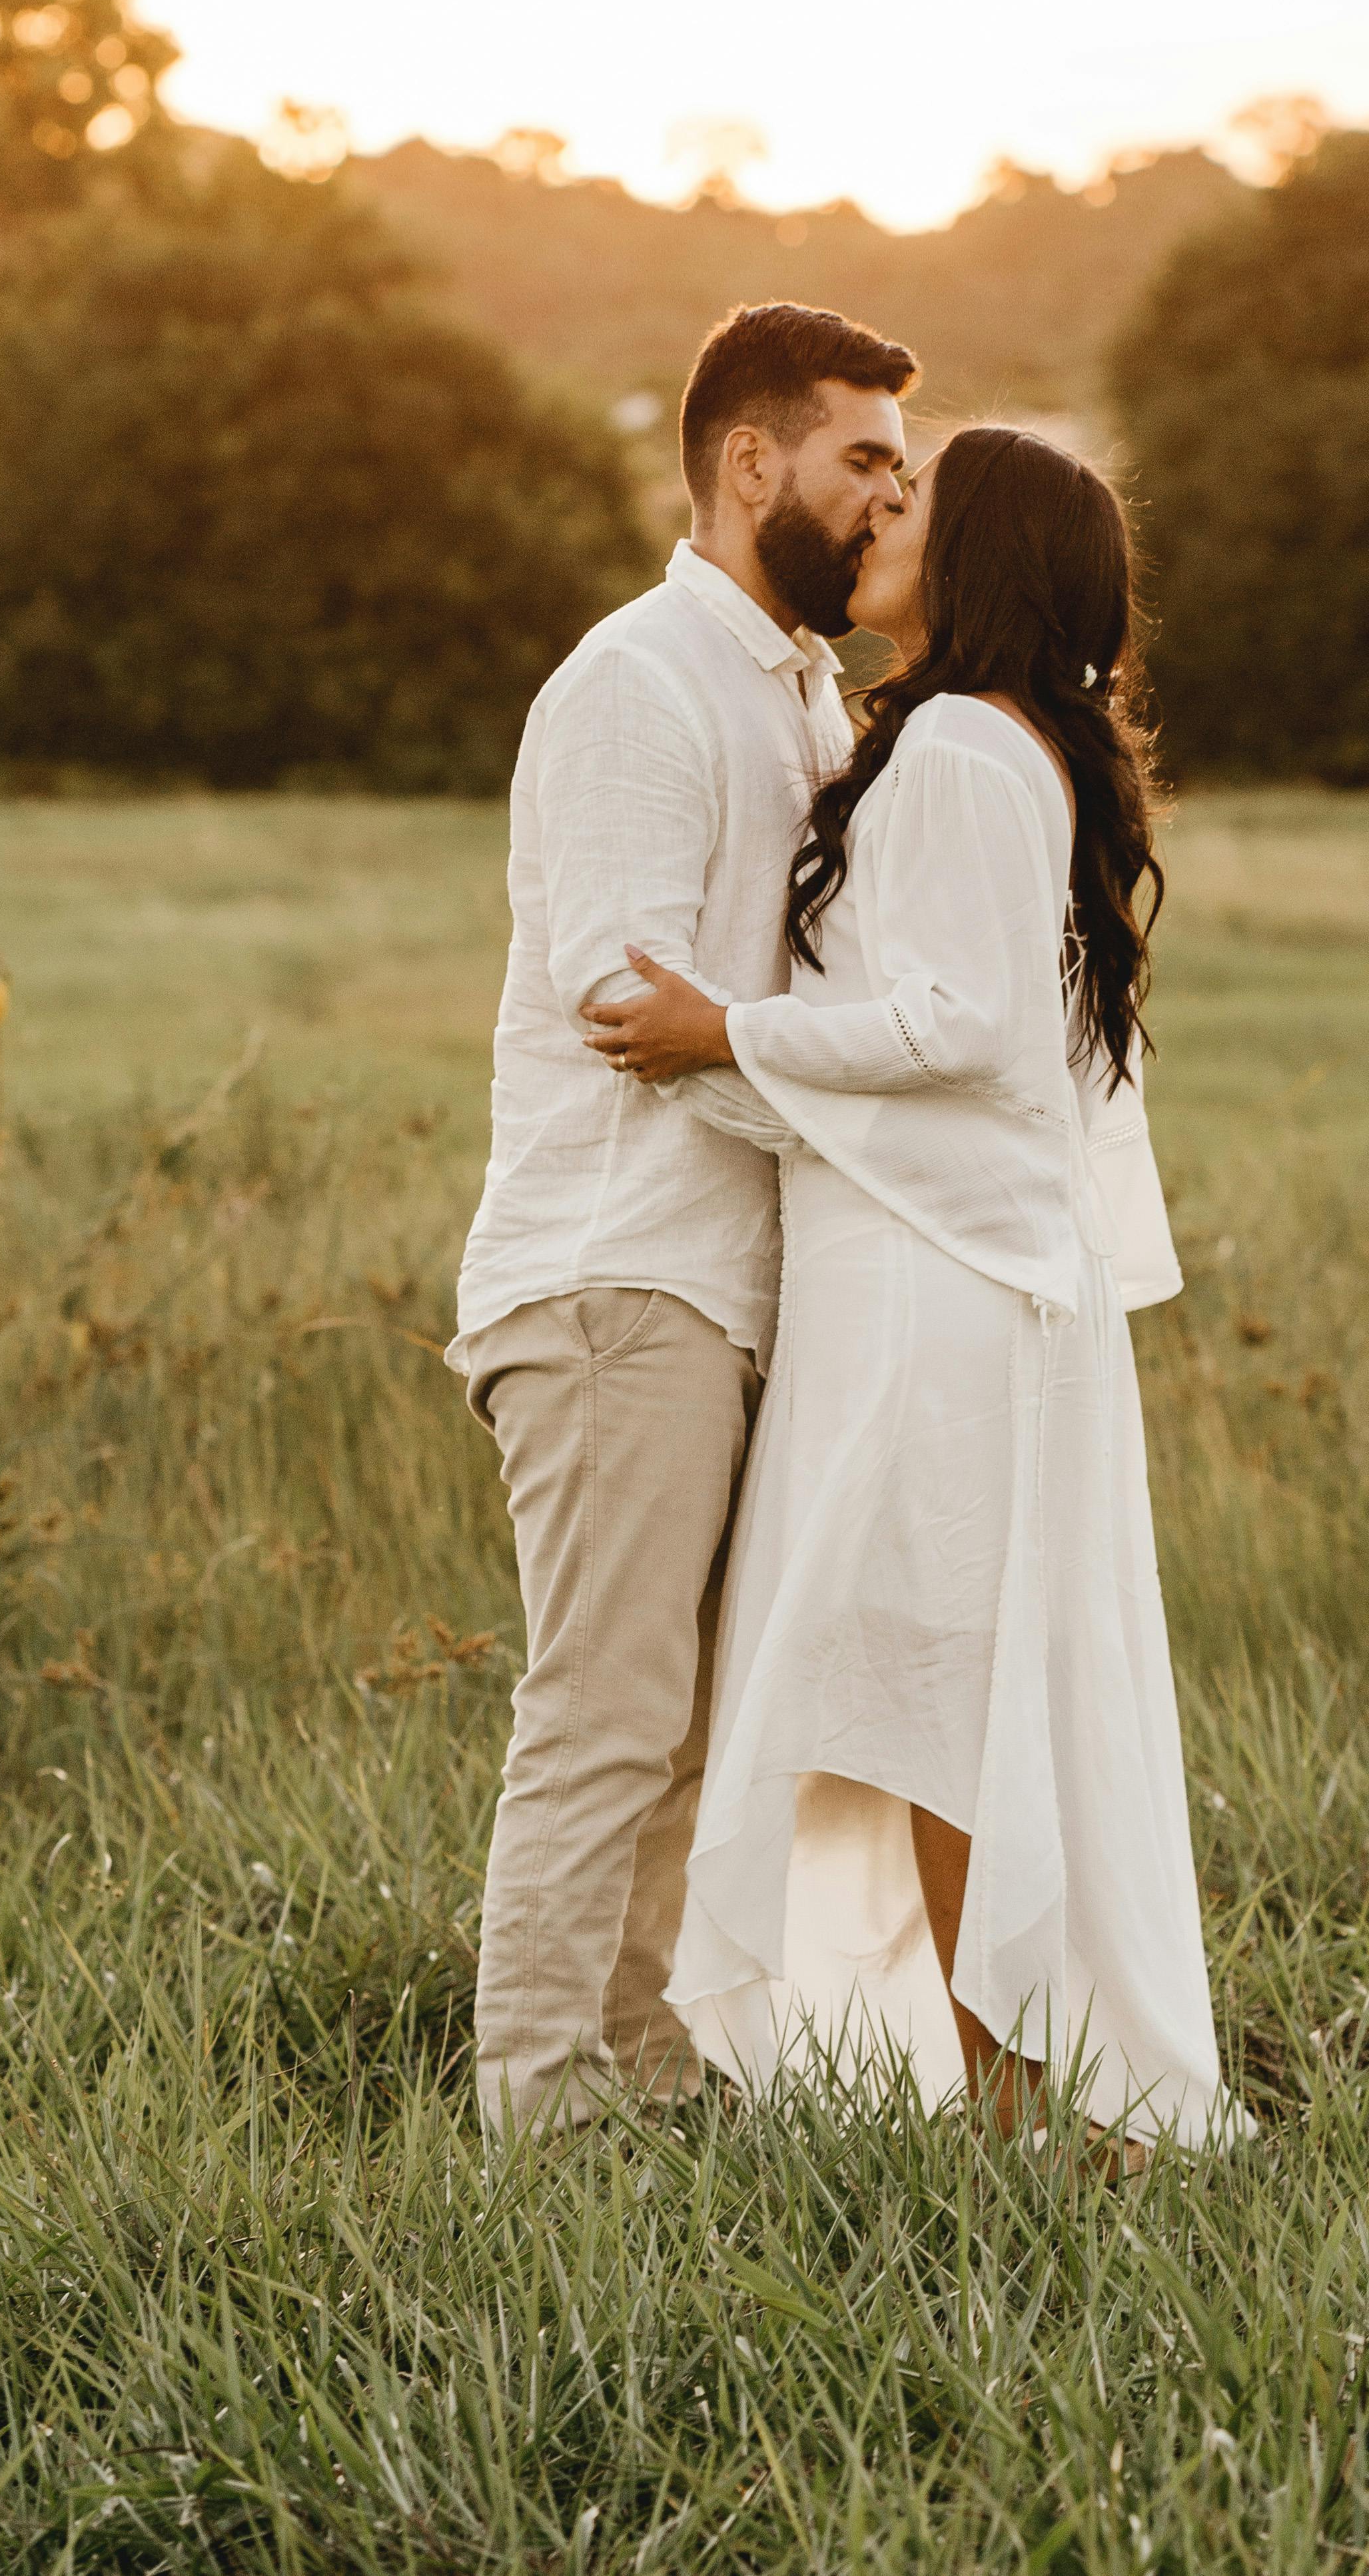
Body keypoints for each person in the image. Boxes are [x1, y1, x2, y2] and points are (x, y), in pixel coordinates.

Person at [584, 425, 1225, 2154]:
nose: (880, 512)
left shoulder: (953, 745)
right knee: (950, 1684)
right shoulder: (1004, 741)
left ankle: (1016, 2113)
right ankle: (1014, 2092)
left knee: (941, 1687)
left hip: (938, 1291)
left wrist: (724, 1030)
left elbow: (966, 1031)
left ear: (978, 554)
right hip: (950, 1272)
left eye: (914, 498)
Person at [450, 299, 917, 2137]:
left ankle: (642, 2084)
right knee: (608, 1715)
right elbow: (622, 1000)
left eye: (898, 466)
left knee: (706, 1732)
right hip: (616, 1270)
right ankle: (538, 2115)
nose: (890, 496)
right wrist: (861, 1135)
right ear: (750, 460)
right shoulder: (638, 679)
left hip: (740, 1282)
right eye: (862, 457)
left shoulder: (800, 691)